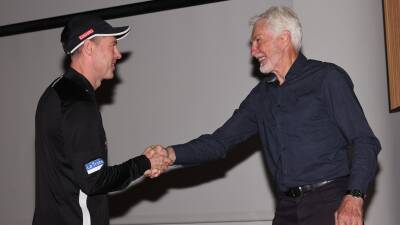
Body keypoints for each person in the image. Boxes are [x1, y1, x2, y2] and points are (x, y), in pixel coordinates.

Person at [148, 6, 381, 225]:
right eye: (252, 43)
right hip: (286, 208)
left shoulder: (327, 78)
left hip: (329, 202)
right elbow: (219, 142)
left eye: (258, 40)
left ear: (284, 38)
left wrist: (355, 195)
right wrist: (170, 154)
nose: (253, 51)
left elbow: (365, 141)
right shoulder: (261, 97)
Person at [33, 15, 167, 225]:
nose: (118, 54)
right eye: (112, 45)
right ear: (89, 47)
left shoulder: (54, 92)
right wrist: (145, 163)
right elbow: (95, 181)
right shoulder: (78, 104)